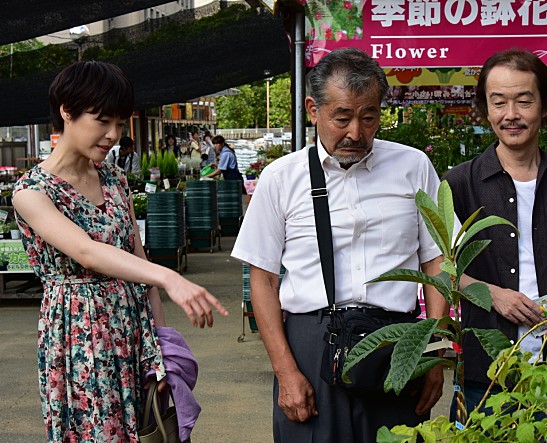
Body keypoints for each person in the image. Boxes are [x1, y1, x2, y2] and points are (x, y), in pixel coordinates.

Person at [231, 47, 446, 443]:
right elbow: (262, 280)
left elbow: (436, 264)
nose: (356, 133)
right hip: (311, 346)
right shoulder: (281, 178)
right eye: (342, 117)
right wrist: (286, 371)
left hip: (396, 344)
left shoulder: (413, 167)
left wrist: (433, 353)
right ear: (313, 110)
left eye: (369, 117)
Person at [12, 60, 228, 442]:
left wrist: (161, 345)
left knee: (148, 429)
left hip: (134, 331)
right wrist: (170, 275)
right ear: (67, 111)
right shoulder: (32, 192)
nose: (113, 135)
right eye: (102, 121)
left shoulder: (113, 179)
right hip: (79, 337)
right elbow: (88, 252)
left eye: (121, 123)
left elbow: (139, 264)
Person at [443, 48, 547, 420]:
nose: (511, 115)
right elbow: (441, 267)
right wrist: (492, 295)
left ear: (545, 107)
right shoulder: (460, 184)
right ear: (486, 109)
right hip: (485, 367)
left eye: (524, 101)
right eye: (498, 102)